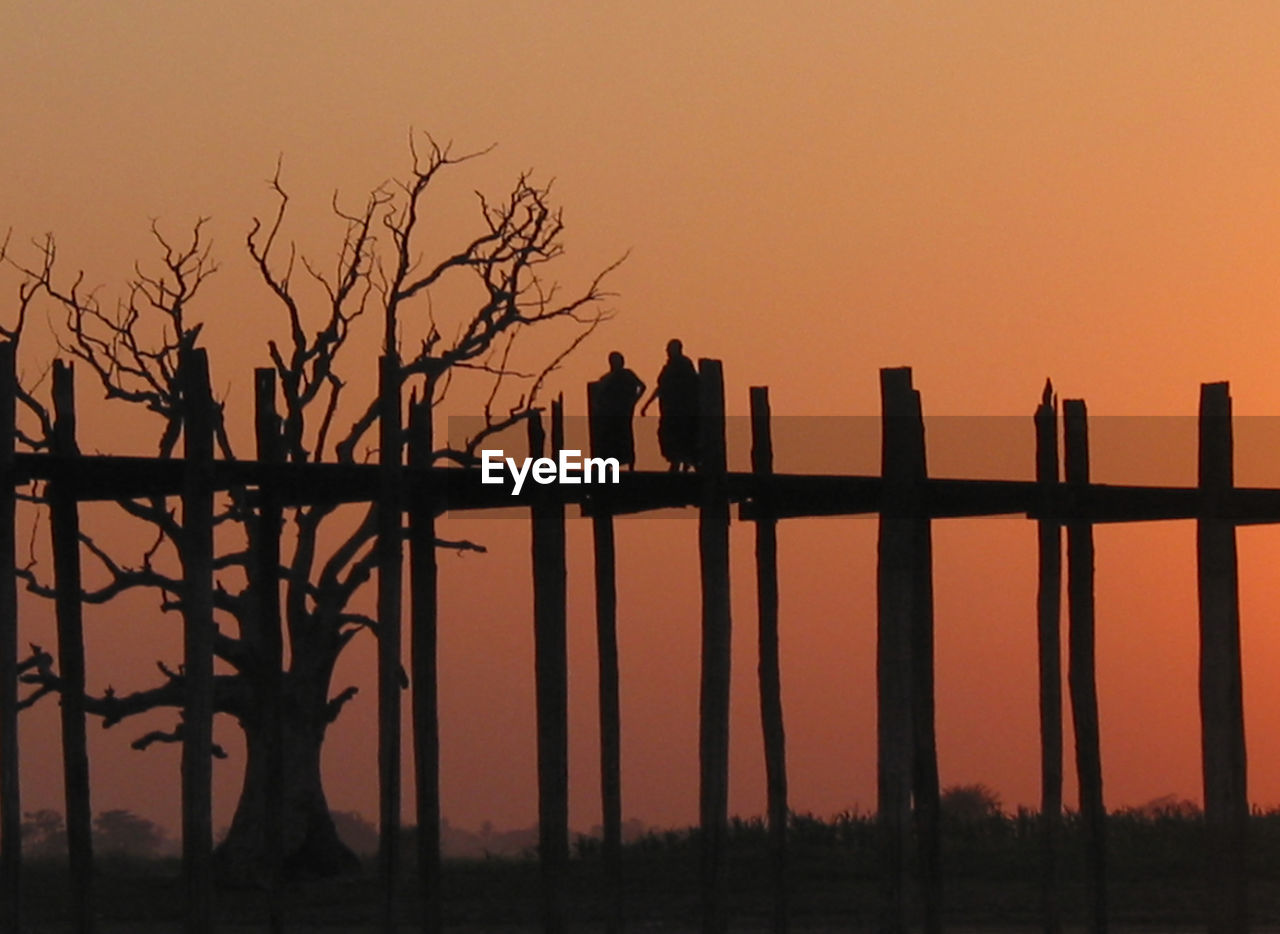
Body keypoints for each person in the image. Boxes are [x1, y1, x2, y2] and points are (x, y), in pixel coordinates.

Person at [640, 339, 700, 472]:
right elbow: (661, 387)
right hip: (669, 409)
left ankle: (683, 462)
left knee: (682, 435)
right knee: (666, 435)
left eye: (669, 349)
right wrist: (647, 404)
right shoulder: (668, 367)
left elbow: (693, 386)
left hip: (682, 409)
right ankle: (676, 461)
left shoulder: (684, 365)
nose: (667, 352)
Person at [590, 351, 646, 469]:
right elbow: (598, 395)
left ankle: (631, 466)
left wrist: (634, 401)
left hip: (623, 412)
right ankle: (609, 465)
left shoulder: (627, 374)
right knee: (610, 440)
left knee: (626, 437)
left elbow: (642, 386)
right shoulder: (606, 378)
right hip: (610, 414)